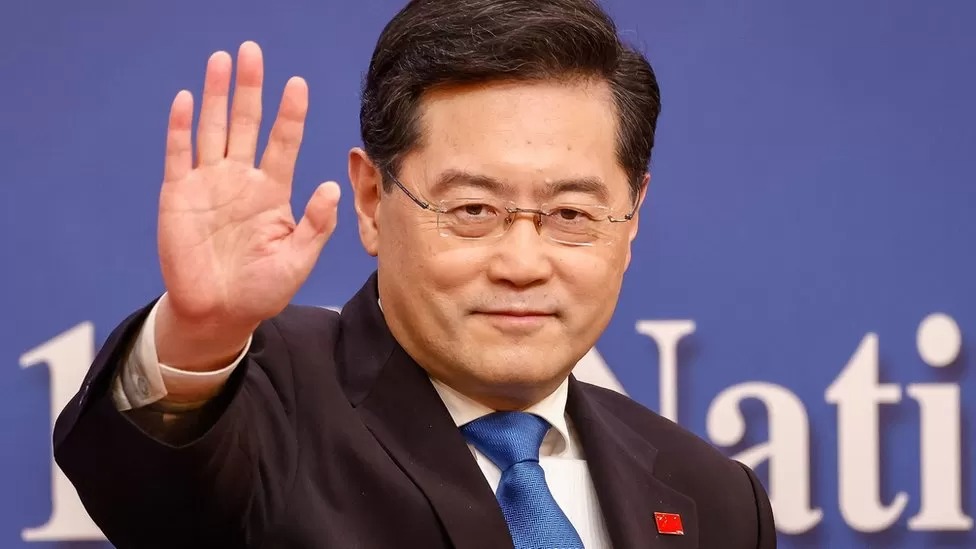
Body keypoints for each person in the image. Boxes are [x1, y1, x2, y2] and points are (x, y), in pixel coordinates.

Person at [53, 0, 776, 547]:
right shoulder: (265, 402)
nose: (522, 263)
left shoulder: (716, 499)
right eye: (472, 209)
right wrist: (201, 336)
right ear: (373, 199)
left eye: (570, 214)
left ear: (632, 215)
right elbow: (147, 478)